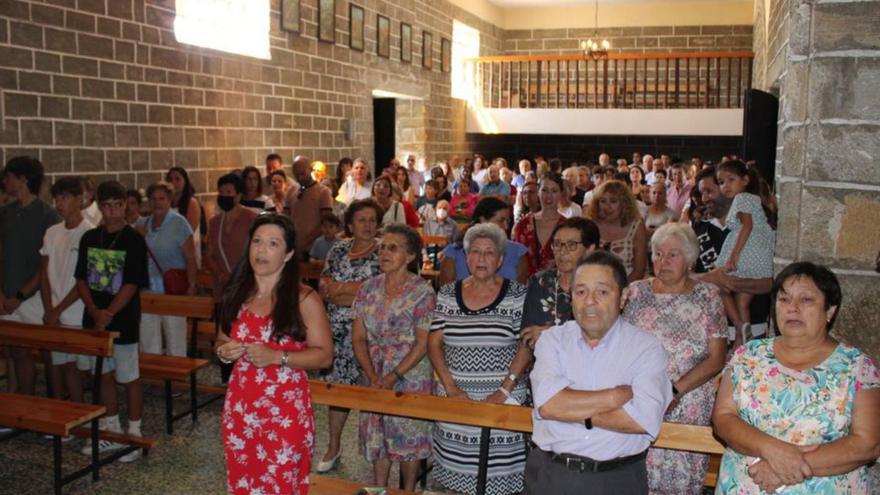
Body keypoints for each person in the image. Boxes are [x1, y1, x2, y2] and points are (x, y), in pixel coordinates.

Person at [712, 262, 880, 494]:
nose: (793, 308)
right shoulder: (748, 355)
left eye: (806, 300)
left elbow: (867, 443)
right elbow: (723, 418)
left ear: (830, 310)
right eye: (784, 299)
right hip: (745, 485)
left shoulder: (857, 367)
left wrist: (784, 466)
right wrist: (772, 450)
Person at [525, 251, 673, 494]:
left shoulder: (646, 348)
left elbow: (641, 419)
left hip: (616, 479)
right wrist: (615, 397)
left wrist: (575, 411)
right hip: (551, 476)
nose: (590, 301)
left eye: (602, 292)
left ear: (623, 297)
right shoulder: (553, 340)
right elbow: (550, 405)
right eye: (581, 292)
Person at [216, 214, 332, 495]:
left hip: (284, 412)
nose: (261, 250)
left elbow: (325, 356)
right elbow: (220, 337)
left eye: (272, 244)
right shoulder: (236, 292)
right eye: (257, 242)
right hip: (241, 407)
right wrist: (224, 351)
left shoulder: (303, 298)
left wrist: (277, 356)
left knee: (280, 484)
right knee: (244, 482)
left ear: (289, 253)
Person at [622, 223, 727, 494]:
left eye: (673, 255)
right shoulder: (634, 293)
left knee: (679, 482)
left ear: (690, 259)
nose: (663, 261)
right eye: (658, 254)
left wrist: (674, 390)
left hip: (687, 400)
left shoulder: (708, 296)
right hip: (638, 397)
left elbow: (717, 359)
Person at [429, 223, 532, 495]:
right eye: (475, 252)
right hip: (456, 398)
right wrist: (450, 387)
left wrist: (505, 388)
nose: (482, 258)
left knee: (499, 482)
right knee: (455, 481)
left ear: (500, 260)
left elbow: (526, 346)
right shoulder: (449, 293)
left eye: (489, 253)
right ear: (466, 258)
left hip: (500, 401)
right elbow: (434, 342)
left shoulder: (517, 295)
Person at [351, 225, 436, 490]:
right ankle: (378, 488)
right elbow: (358, 337)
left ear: (410, 256)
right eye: (383, 247)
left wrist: (392, 376)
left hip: (411, 373)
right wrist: (373, 374)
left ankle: (408, 490)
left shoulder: (423, 291)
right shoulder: (368, 288)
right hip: (374, 370)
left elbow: (423, 343)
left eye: (393, 247)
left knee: (408, 436)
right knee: (377, 433)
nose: (384, 252)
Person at [75, 180, 149, 460]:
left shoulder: (134, 240)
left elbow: (132, 283)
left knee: (129, 376)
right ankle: (112, 430)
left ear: (125, 206)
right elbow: (81, 278)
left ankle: (134, 433)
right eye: (107, 206)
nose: (113, 211)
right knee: (102, 374)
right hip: (94, 317)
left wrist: (109, 314)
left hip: (123, 319)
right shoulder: (90, 238)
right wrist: (95, 311)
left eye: (118, 205)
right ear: (100, 207)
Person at [316, 199, 383, 472]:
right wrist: (352, 291)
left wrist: (342, 291)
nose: (367, 225)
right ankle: (333, 444)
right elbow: (324, 286)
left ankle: (376, 453)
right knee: (338, 393)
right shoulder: (339, 248)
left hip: (370, 334)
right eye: (361, 220)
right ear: (350, 224)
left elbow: (377, 291)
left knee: (372, 394)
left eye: (372, 220)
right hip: (335, 332)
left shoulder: (383, 251)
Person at [0, 156, 62, 397]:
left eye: (9, 176)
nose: (5, 181)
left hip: (33, 296)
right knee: (15, 351)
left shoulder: (47, 216)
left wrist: (20, 294)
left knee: (39, 352)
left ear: (23, 179)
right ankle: (18, 403)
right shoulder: (6, 212)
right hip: (7, 294)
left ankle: (44, 405)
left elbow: (46, 265)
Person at [42, 178, 95, 403]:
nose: (59, 203)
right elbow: (44, 273)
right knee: (61, 365)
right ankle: (66, 415)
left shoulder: (90, 232)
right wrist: (49, 308)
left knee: (78, 369)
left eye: (64, 198)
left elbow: (84, 280)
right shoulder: (52, 232)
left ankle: (84, 418)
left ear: (79, 199)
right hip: (54, 310)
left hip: (76, 311)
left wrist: (59, 308)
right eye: (56, 199)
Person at [715, 160, 777, 347]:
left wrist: (734, 255)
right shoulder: (759, 199)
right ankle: (743, 339)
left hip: (747, 253)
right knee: (742, 303)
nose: (725, 185)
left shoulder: (743, 198)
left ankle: (739, 325)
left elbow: (747, 227)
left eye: (731, 179)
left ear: (745, 180)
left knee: (718, 285)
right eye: (721, 182)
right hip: (761, 257)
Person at [137, 182, 198, 357]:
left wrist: (191, 286)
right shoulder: (142, 225)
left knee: (175, 336)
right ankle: (154, 377)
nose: (157, 202)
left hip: (172, 288)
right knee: (148, 336)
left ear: (170, 200)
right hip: (147, 288)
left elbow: (190, 258)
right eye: (153, 199)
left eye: (162, 198)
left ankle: (176, 378)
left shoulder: (179, 223)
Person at [520, 217, 600, 349]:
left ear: (590, 249)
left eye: (571, 245)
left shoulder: (602, 286)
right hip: (545, 363)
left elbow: (599, 336)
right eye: (557, 244)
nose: (562, 251)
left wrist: (550, 334)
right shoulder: (540, 282)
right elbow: (529, 337)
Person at [439, 197, 529, 285]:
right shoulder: (453, 254)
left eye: (508, 221)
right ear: (483, 220)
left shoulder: (518, 253)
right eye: (501, 221)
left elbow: (520, 295)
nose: (506, 226)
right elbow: (446, 295)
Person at [205, 173, 258, 298]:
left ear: (238, 196)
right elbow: (209, 255)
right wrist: (220, 274)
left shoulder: (251, 219)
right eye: (221, 192)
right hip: (224, 287)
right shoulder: (215, 222)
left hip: (248, 285)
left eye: (228, 192)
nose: (224, 196)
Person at [585, 180, 648, 282]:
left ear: (624, 203)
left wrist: (619, 291)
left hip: (629, 287)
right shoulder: (590, 225)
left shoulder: (637, 227)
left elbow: (639, 270)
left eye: (613, 201)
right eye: (603, 201)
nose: (607, 207)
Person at [513, 172, 566, 276]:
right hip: (527, 288)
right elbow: (515, 262)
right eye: (544, 190)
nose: (548, 196)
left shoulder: (568, 226)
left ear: (561, 194)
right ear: (538, 192)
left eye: (554, 191)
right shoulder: (522, 226)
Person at [286, 155, 334, 259]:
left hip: (315, 248)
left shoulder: (323, 192)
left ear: (310, 169)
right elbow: (286, 218)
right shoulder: (291, 191)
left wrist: (304, 242)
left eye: (302, 173)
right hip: (293, 247)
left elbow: (326, 222)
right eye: (296, 175)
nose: (300, 178)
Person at [166, 166, 203, 266]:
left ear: (185, 181)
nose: (174, 183)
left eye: (177, 179)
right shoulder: (167, 203)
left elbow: (189, 230)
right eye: (170, 180)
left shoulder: (191, 202)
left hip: (187, 249)